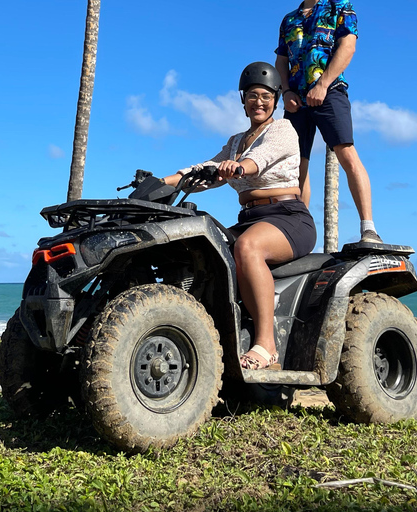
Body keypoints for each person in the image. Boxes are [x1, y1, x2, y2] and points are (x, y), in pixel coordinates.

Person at [164, 62, 317, 370]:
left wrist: (239, 167)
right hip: (250, 219)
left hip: (288, 217)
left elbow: (260, 159)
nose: (258, 101)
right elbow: (203, 170)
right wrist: (160, 182)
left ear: (274, 99)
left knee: (247, 247)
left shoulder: (283, 130)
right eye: (251, 96)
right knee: (202, 250)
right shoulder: (235, 142)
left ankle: (266, 345)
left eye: (264, 95)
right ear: (243, 101)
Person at [275, 0, 383, 243]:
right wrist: (286, 92)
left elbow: (348, 46)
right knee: (296, 163)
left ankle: (368, 228)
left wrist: (323, 84)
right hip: (295, 99)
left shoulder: (340, 7)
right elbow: (282, 60)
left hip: (330, 90)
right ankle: (297, 232)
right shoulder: (288, 19)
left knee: (346, 152)